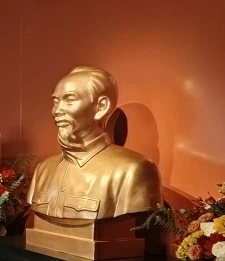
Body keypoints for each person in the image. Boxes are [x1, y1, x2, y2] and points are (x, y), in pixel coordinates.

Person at [27, 66, 161, 219]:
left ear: (101, 107)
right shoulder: (43, 170)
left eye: (69, 100)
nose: (57, 110)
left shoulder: (133, 170)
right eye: (56, 102)